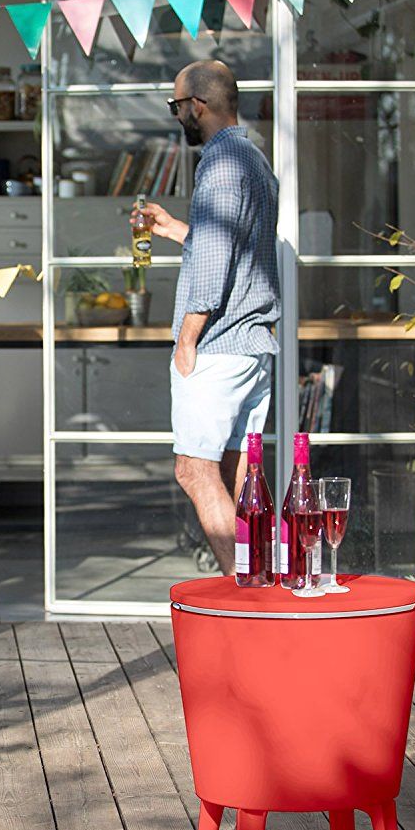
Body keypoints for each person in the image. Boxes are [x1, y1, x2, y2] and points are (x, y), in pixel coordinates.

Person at [132, 59, 279, 576]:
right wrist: (175, 228)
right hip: (254, 345)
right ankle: (261, 585)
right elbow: (232, 245)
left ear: (198, 105)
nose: (177, 116)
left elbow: (216, 267)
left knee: (194, 470)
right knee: (240, 474)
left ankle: (244, 590)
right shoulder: (253, 157)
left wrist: (186, 340)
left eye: (177, 106)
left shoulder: (217, 163)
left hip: (217, 346)